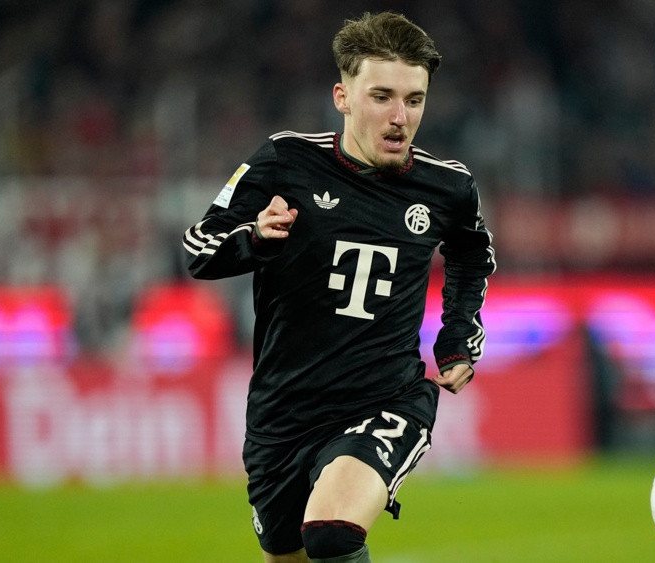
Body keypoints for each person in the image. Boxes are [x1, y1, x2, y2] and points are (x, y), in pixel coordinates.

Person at [182, 12, 495, 562]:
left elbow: (471, 256)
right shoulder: (285, 161)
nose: (400, 117)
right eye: (382, 97)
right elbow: (198, 249)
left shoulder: (447, 187)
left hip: (385, 400)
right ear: (342, 97)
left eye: (415, 100)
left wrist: (457, 338)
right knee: (289, 555)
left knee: (331, 531)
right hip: (282, 416)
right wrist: (255, 239)